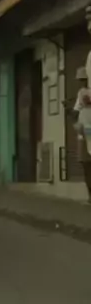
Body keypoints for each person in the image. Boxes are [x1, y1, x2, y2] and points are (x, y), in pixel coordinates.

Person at [68, 66, 91, 202]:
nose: (81, 82)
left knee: (86, 165)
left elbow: (76, 112)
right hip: (84, 132)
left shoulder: (82, 93)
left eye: (83, 79)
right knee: (86, 165)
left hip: (85, 132)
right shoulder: (81, 93)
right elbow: (76, 111)